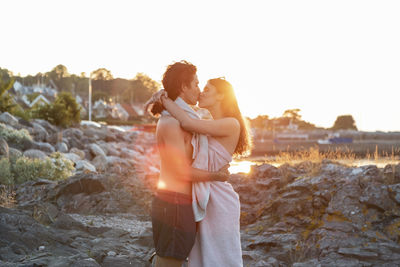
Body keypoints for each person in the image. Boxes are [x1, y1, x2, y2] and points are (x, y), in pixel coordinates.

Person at [150, 77, 252, 267]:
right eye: (200, 86)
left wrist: (164, 100)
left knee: (220, 258)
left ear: (221, 96)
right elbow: (184, 117)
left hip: (219, 199)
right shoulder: (208, 122)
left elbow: (187, 123)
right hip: (202, 195)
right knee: (200, 258)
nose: (201, 92)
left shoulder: (231, 124)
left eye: (207, 89)